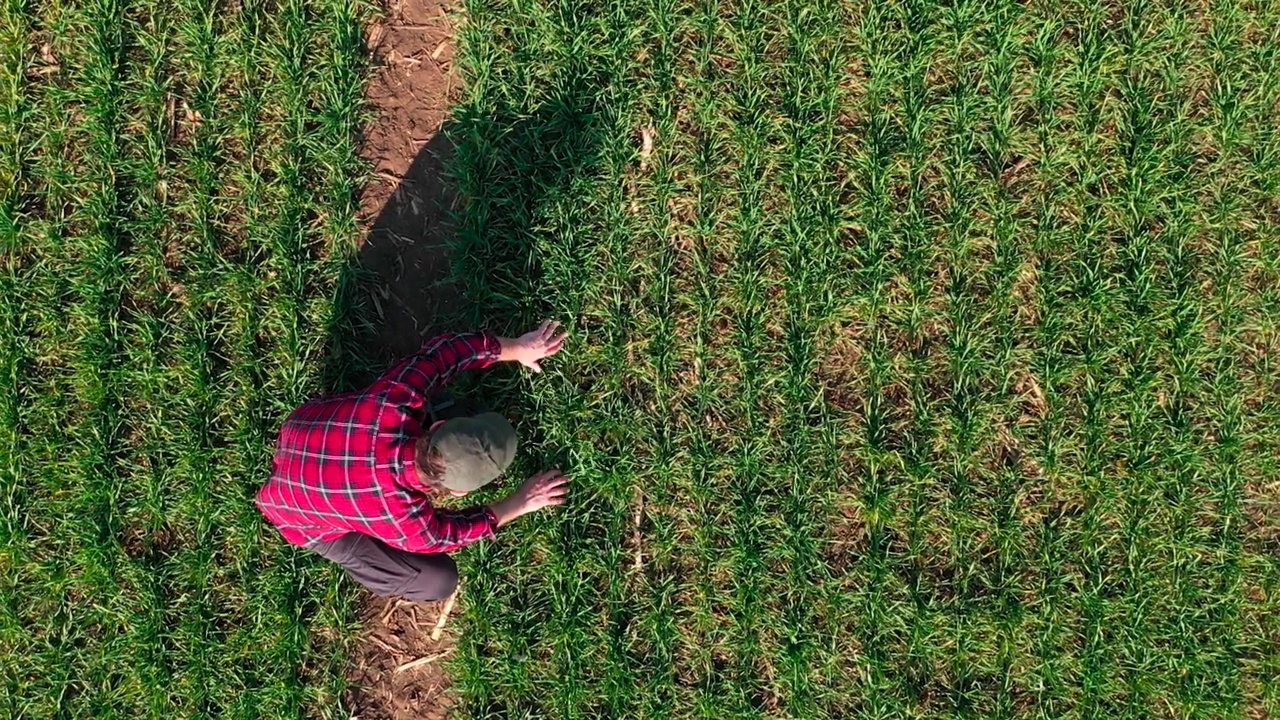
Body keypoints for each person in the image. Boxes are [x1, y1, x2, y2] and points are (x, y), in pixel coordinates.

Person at [256, 321, 570, 601]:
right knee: (438, 581)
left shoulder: (395, 400)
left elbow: (445, 352)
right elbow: (452, 534)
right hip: (294, 514)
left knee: (447, 404)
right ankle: (365, 559)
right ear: (457, 494)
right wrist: (523, 501)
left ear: (435, 428)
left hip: (300, 431)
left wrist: (519, 347)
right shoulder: (404, 522)